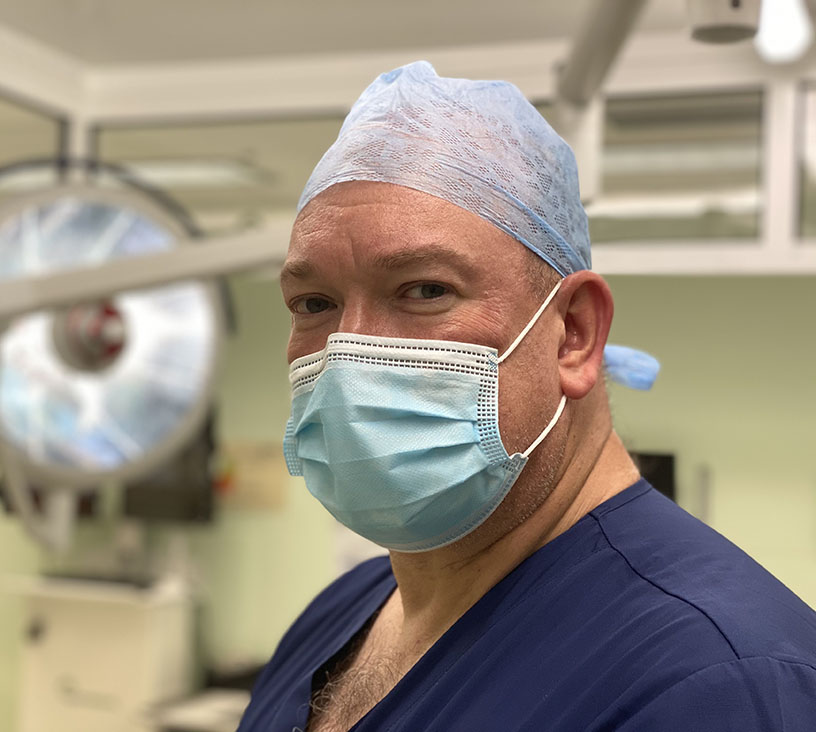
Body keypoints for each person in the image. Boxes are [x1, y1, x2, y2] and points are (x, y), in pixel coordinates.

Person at [237, 61, 816, 732]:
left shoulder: (720, 682)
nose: (349, 353)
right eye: (314, 303)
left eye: (426, 290)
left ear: (574, 333)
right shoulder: (342, 613)